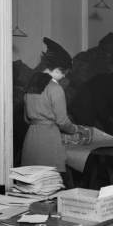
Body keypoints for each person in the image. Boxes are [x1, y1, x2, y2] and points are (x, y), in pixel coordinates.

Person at [20, 38, 82, 175]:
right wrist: (75, 129)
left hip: (31, 139)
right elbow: (62, 121)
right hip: (49, 140)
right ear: (58, 70)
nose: (64, 76)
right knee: (49, 183)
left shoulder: (31, 85)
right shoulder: (55, 88)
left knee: (31, 184)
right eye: (64, 72)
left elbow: (26, 118)